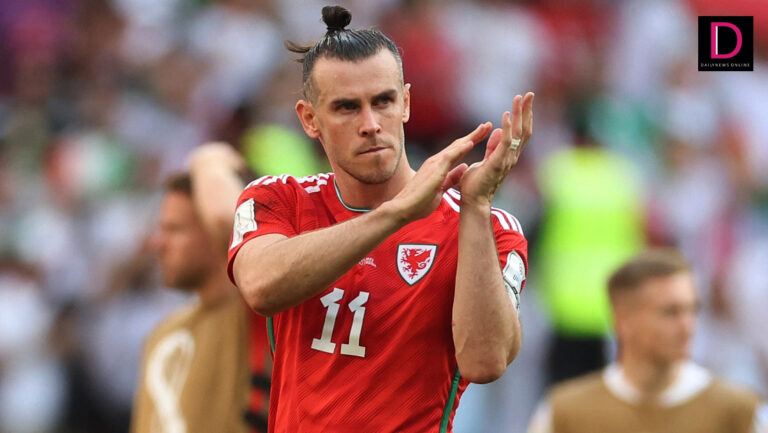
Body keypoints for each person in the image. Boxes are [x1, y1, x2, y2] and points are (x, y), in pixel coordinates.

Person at [227, 5, 534, 433]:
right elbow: (260, 286)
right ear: (309, 119)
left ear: (405, 103)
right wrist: (396, 214)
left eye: (384, 101)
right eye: (347, 107)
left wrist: (477, 207)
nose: (371, 124)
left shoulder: (486, 227)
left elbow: (486, 362)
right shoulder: (280, 199)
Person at [527, 248, 768, 433]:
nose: (688, 326)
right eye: (670, 312)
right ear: (624, 321)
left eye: (693, 310)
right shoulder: (566, 414)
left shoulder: (738, 412)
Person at [131, 144, 269, 433]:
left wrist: (206, 158)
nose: (158, 243)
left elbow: (227, 220)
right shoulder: (162, 334)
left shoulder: (261, 310)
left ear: (212, 233)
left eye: (174, 230)